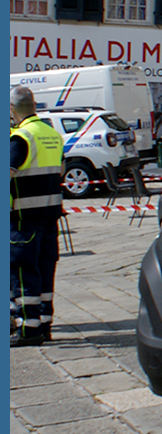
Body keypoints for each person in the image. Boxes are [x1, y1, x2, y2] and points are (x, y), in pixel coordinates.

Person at [10, 86, 64, 346]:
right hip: (50, 215)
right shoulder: (52, 134)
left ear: (12, 110)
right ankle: (44, 324)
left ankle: (28, 329)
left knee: (22, 271)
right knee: (44, 270)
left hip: (24, 218)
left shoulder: (21, 137)